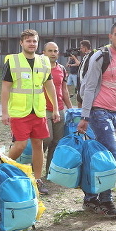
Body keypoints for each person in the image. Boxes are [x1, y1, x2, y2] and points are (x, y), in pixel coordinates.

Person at [76, 21, 116, 219]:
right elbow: (89, 86)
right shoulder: (100, 56)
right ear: (110, 36)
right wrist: (85, 116)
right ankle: (105, 200)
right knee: (114, 156)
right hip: (98, 112)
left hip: (114, 113)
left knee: (100, 158)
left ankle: (91, 197)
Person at [1, 29, 60, 193]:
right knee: (20, 145)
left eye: (34, 41)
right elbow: (5, 88)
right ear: (21, 43)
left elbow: (49, 86)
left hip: (39, 111)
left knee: (38, 145)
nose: (31, 44)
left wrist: (55, 108)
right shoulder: (12, 61)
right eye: (28, 41)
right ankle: (0, 168)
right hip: (20, 112)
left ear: (37, 43)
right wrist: (4, 112)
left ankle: (37, 179)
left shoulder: (44, 62)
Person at [41, 41, 73, 180]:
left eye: (55, 51)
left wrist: (71, 109)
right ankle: (35, 167)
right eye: (50, 51)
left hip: (59, 110)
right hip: (44, 110)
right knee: (46, 140)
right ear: (44, 53)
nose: (53, 53)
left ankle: (50, 172)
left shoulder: (62, 69)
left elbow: (64, 90)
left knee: (57, 142)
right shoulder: (40, 68)